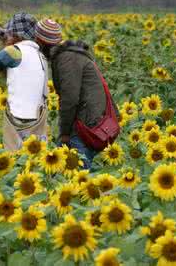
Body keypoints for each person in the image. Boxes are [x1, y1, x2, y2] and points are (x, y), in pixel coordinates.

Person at [35, 19, 116, 170]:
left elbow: (70, 98)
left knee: (77, 173)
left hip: (85, 124)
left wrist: (65, 132)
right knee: (58, 168)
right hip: (89, 118)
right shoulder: (69, 55)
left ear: (41, 41)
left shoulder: (67, 58)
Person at [0, 13, 48, 151]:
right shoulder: (40, 55)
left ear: (15, 34)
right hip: (38, 121)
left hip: (17, 122)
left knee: (17, 164)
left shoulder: (13, 52)